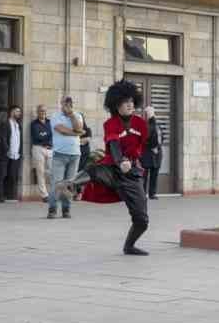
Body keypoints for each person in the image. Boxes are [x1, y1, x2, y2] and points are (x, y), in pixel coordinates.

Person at [61, 80, 152, 255]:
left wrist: (153, 121)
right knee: (95, 169)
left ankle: (129, 246)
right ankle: (71, 184)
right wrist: (120, 162)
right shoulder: (110, 124)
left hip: (133, 175)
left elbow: (148, 142)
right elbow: (114, 144)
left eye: (132, 101)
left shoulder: (140, 123)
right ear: (116, 105)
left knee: (142, 220)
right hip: (114, 168)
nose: (130, 105)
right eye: (126, 102)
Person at [46, 96, 82, 219]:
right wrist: (76, 133)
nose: (67, 105)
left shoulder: (77, 115)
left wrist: (71, 115)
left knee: (70, 184)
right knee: (57, 183)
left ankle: (66, 209)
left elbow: (79, 128)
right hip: (59, 155)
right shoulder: (55, 116)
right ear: (61, 104)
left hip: (75, 155)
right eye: (65, 103)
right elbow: (62, 130)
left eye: (70, 103)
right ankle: (52, 209)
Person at [0, 105, 23, 202]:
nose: (19, 113)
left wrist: (20, 152)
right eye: (17, 111)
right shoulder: (5, 123)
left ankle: (7, 194)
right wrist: (7, 149)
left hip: (16, 154)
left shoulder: (18, 125)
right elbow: (3, 138)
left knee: (12, 175)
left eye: (19, 112)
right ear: (12, 112)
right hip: (5, 154)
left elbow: (19, 140)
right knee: (2, 175)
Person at [140, 104, 165, 200]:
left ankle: (152, 194)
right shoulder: (145, 125)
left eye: (152, 112)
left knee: (154, 175)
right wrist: (151, 147)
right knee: (144, 175)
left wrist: (158, 147)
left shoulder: (158, 125)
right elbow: (144, 139)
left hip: (157, 154)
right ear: (146, 114)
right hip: (147, 153)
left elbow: (162, 137)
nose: (151, 114)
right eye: (149, 112)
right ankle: (142, 194)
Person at [29, 104, 54, 201]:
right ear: (37, 112)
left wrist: (46, 136)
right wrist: (46, 136)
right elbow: (36, 136)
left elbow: (52, 135)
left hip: (50, 149)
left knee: (53, 171)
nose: (42, 112)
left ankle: (53, 193)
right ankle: (44, 195)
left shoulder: (50, 122)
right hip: (38, 148)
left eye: (44, 111)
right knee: (40, 172)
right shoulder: (34, 124)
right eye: (40, 111)